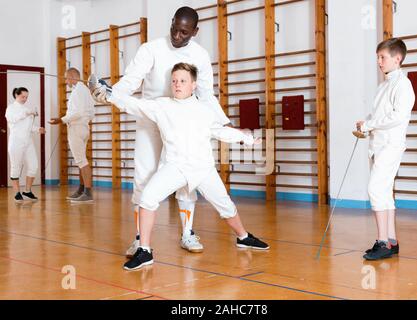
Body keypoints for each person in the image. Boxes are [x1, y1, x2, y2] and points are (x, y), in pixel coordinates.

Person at [91, 62, 269, 270]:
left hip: (203, 169)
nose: (177, 84)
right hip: (174, 167)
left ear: (193, 85)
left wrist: (246, 139)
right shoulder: (161, 105)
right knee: (147, 199)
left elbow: (220, 131)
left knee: (226, 206)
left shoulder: (204, 109)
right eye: (174, 81)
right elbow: (134, 104)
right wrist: (109, 93)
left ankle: (243, 237)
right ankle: (145, 251)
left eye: (183, 81)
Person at [91, 6, 230, 255]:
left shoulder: (199, 55)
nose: (178, 36)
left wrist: (223, 122)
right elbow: (131, 81)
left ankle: (187, 233)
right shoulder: (151, 49)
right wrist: (111, 95)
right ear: (172, 23)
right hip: (151, 120)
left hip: (184, 125)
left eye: (184, 32)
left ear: (195, 32)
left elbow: (206, 95)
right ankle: (139, 239)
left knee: (188, 179)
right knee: (144, 178)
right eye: (175, 29)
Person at [355, 38, 415, 261]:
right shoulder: (384, 86)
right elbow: (381, 116)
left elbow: (397, 116)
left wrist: (370, 124)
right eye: (378, 58)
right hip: (378, 146)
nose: (379, 62)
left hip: (391, 145)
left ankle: (382, 242)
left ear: (397, 58)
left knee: (376, 189)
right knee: (385, 192)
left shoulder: (403, 84)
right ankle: (391, 240)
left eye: (383, 57)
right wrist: (366, 124)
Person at [50, 67, 95, 203]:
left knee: (82, 161)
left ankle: (88, 193)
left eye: (66, 78)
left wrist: (61, 119)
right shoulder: (85, 91)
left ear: (73, 77)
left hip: (76, 128)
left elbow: (78, 113)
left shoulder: (77, 92)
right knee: (81, 160)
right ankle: (82, 190)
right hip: (84, 127)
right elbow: (90, 113)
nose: (65, 81)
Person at [5, 87, 46, 203]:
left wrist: (38, 129)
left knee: (34, 166)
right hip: (16, 141)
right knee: (15, 166)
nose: (25, 99)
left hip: (28, 141)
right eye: (23, 97)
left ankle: (27, 191)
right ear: (16, 95)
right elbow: (12, 119)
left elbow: (29, 127)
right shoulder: (11, 108)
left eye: (26, 97)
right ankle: (17, 193)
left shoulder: (27, 109)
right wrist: (27, 113)